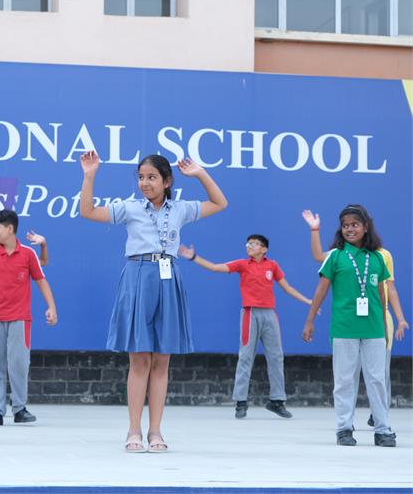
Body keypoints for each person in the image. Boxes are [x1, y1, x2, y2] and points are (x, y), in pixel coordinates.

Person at [79, 151, 227, 452]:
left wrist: (200, 173)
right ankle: (133, 430)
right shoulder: (130, 208)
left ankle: (155, 431)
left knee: (161, 360)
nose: (145, 183)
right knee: (139, 360)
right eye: (141, 177)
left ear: (167, 181)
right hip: (137, 277)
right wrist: (89, 175)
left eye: (152, 177)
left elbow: (219, 203)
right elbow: (88, 211)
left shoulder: (180, 209)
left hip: (168, 278)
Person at [179, 234, 313, 419]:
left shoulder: (272, 266)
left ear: (264, 249)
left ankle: (277, 401)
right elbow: (216, 267)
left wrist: (309, 302)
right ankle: (241, 402)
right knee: (245, 357)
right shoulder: (242, 264)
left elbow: (287, 287)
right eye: (248, 243)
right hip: (250, 314)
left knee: (276, 357)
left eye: (254, 244)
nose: (249, 246)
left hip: (270, 315)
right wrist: (194, 257)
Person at [302, 209, 408, 428]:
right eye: (345, 225)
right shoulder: (336, 256)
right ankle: (344, 428)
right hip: (344, 328)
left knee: (377, 379)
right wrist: (309, 321)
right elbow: (321, 290)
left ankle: (382, 428)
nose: (349, 229)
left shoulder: (378, 257)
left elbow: (383, 294)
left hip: (374, 329)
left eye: (355, 224)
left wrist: (385, 325)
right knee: (344, 380)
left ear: (366, 227)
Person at [0, 210, 57, 426]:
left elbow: (41, 280)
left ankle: (20, 408)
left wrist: (51, 307)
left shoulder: (28, 254)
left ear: (10, 228)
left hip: (20, 318)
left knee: (19, 363)